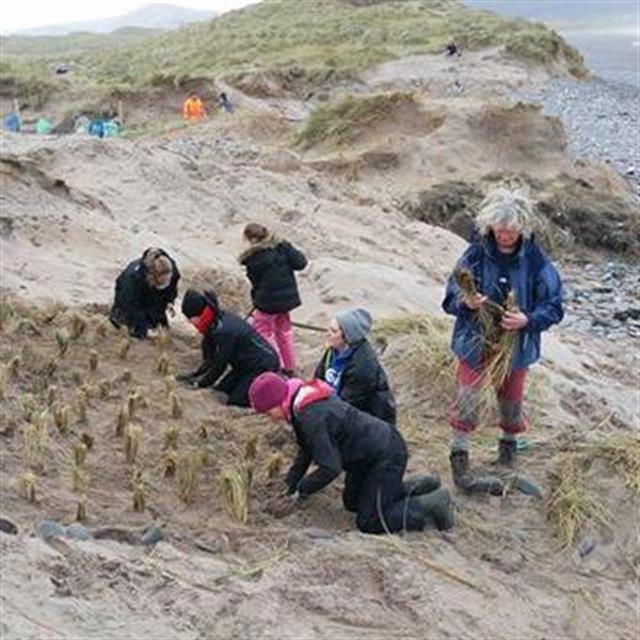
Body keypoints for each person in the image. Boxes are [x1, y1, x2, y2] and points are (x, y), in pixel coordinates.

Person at [442, 187, 563, 494]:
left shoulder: (535, 260)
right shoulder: (475, 253)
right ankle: (460, 457)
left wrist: (527, 320)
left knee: (511, 401)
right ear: (490, 225)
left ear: (522, 228)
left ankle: (508, 454)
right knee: (467, 397)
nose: (505, 236)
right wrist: (467, 302)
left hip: (516, 346)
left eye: (511, 231)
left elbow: (554, 306)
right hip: (474, 340)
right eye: (499, 230)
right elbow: (451, 294)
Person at [249, 372, 454, 534]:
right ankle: (420, 486)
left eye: (268, 412)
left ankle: (432, 503)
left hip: (386, 455)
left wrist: (302, 490)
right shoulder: (302, 402)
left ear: (278, 401)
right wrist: (290, 483)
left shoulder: (310, 417)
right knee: (352, 503)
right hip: (368, 456)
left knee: (370, 521)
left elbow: (330, 468)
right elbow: (307, 449)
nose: (270, 417)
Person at [179, 289, 280, 407]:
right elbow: (210, 358)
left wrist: (201, 384)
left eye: (190, 319)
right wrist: (195, 375)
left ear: (198, 314)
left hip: (262, 365)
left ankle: (275, 389)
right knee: (221, 390)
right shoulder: (214, 320)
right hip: (244, 366)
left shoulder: (223, 331)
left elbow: (219, 364)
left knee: (236, 401)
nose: (190, 322)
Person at [239, 223, 307, 376]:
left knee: (262, 331)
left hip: (267, 302)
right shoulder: (281, 248)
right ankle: (289, 366)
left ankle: (275, 364)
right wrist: (286, 245)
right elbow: (301, 263)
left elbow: (255, 283)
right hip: (287, 299)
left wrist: (256, 301)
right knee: (284, 331)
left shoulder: (253, 259)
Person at [314, 308, 396, 424]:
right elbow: (318, 378)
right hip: (338, 403)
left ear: (347, 337)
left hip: (368, 420)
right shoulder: (333, 350)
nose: (328, 334)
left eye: (333, 331)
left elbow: (348, 404)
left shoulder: (363, 365)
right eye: (328, 329)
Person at [110, 248, 180, 339]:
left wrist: (170, 300)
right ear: (152, 277)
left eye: (168, 281)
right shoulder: (131, 280)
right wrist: (144, 329)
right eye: (162, 282)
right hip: (127, 299)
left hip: (153, 293)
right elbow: (130, 307)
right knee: (130, 328)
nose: (166, 284)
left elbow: (172, 288)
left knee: (161, 327)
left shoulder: (172, 270)